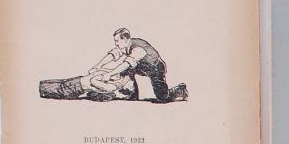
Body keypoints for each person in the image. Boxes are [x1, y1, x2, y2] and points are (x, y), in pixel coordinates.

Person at [39, 28, 188, 102]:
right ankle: (131, 95)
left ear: (125, 39)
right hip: (137, 67)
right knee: (126, 76)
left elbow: (125, 64)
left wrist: (109, 74)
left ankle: (179, 90)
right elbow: (112, 55)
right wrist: (98, 66)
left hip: (155, 68)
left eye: (117, 41)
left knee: (162, 97)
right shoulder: (125, 45)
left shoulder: (138, 49)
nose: (116, 43)